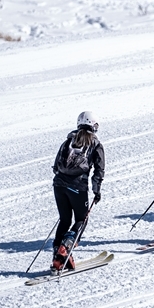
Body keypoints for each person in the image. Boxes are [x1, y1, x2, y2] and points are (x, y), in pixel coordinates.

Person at [49, 112, 105, 272]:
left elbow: (55, 166)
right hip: (78, 187)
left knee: (65, 220)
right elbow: (99, 170)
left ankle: (57, 258)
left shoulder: (68, 140)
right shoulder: (96, 144)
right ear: (93, 125)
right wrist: (97, 190)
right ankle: (66, 248)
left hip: (59, 185)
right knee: (81, 219)